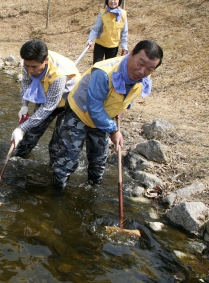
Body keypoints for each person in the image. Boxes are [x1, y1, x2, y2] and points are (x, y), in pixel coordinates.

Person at [50, 40, 163, 190]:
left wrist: (124, 107)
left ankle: (92, 190)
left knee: (98, 162)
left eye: (150, 69)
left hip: (103, 118)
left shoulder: (143, 79)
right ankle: (57, 194)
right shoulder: (104, 72)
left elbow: (130, 96)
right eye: (140, 64)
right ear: (131, 54)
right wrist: (114, 131)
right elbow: (94, 107)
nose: (142, 72)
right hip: (79, 113)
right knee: (67, 160)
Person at [11, 40, 80, 158]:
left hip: (70, 101)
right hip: (47, 92)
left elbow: (48, 107)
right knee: (32, 130)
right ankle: (19, 157)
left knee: (57, 142)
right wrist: (24, 105)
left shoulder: (59, 75)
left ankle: (54, 167)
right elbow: (26, 83)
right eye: (27, 66)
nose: (30, 70)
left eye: (34, 67)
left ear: (46, 61)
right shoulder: (29, 63)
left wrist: (21, 127)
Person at [87, 0, 128, 64]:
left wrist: (124, 46)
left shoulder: (123, 14)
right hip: (100, 44)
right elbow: (96, 28)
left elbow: (124, 32)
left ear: (119, 1)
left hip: (113, 46)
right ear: (107, 0)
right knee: (97, 65)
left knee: (108, 67)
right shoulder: (103, 12)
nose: (113, 1)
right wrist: (90, 39)